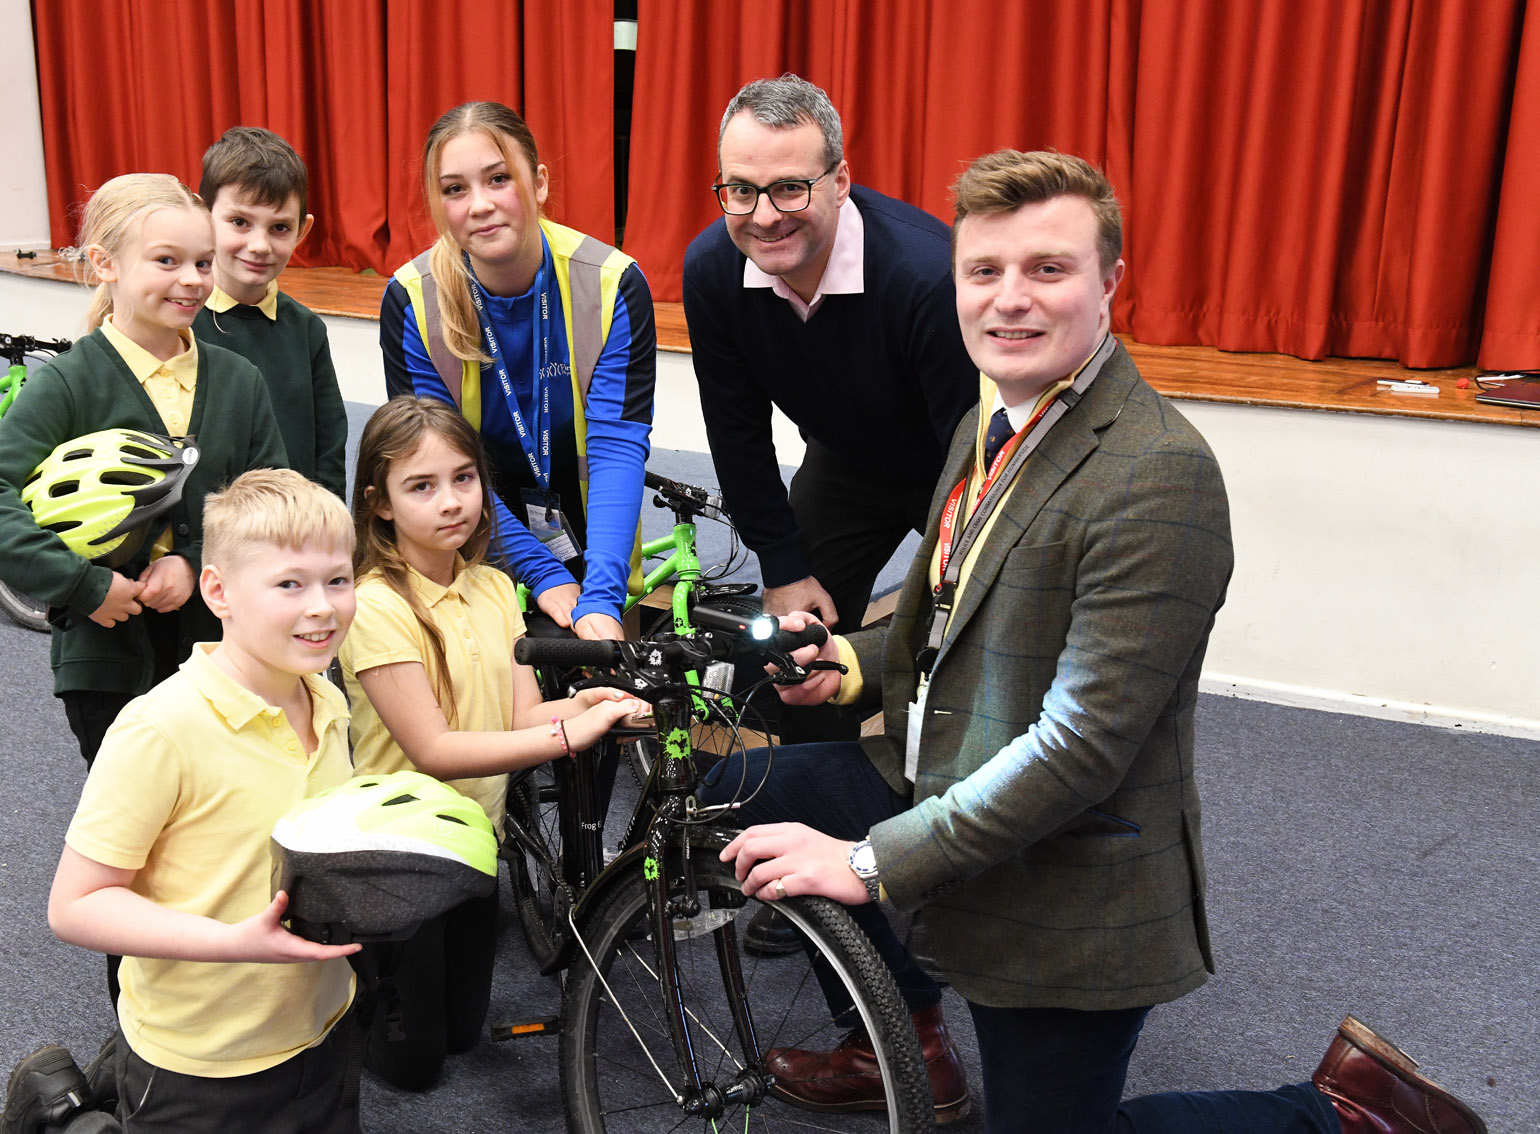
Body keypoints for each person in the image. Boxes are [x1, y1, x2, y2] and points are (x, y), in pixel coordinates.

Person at [711, 150, 1488, 1133]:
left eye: (1047, 269)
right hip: (942, 770)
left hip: (1067, 873)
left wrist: (865, 864)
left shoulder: (1156, 474)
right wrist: (853, 665)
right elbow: (937, 616)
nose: (1008, 300)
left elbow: (1076, 749)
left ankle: (1340, 1113)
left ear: (1109, 283)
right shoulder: (985, 420)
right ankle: (893, 1041)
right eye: (983, 272)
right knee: (736, 791)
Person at [0, 469, 364, 1134]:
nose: (323, 606)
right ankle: (64, 1115)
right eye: (289, 584)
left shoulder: (327, 699)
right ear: (217, 591)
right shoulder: (161, 729)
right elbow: (74, 907)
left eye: (338, 579)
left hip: (323, 1027)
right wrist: (233, 942)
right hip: (199, 1065)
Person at [338, 395, 645, 1091]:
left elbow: (520, 716)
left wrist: (586, 703)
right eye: (421, 486)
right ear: (379, 503)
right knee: (412, 1071)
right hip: (400, 856)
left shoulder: (497, 588)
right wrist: (570, 737)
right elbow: (436, 750)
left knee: (461, 1036)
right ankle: (333, 971)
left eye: (464, 479)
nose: (450, 502)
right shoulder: (375, 605)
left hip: (475, 842)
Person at [0, 173, 288, 769]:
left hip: (227, 647)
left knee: (229, 815)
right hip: (107, 658)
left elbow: (275, 503)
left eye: (204, 263)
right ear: (105, 263)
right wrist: (85, 585)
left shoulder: (240, 380)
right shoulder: (68, 382)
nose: (192, 280)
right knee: (136, 830)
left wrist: (196, 559)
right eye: (166, 260)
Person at [682, 73, 979, 696]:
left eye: (790, 188)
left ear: (840, 182)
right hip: (846, 464)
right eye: (741, 190)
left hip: (956, 470)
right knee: (796, 651)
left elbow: (975, 447)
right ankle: (821, 776)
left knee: (971, 637)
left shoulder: (926, 277)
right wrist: (782, 566)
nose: (764, 217)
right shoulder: (712, 270)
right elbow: (737, 433)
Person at [380, 100, 655, 642]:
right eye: (454, 189)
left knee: (614, 698)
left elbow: (616, 446)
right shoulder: (413, 300)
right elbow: (433, 464)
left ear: (540, 182)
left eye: (499, 178)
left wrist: (601, 594)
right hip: (461, 530)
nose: (479, 205)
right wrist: (540, 570)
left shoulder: (611, 283)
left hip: (593, 532)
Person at [193, 126, 348, 499]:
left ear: (302, 231)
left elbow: (329, 449)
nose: (259, 245)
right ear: (202, 215)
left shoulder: (306, 330)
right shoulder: (178, 321)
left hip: (290, 532)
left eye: (280, 227)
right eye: (239, 222)